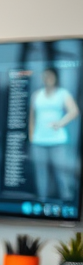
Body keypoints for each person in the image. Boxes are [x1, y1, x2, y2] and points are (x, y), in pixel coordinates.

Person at [29, 67, 79, 201]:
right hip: (39, 141)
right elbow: (32, 117)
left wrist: (61, 123)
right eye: (45, 76)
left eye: (50, 76)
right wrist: (31, 136)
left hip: (57, 141)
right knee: (41, 175)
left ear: (55, 78)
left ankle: (67, 200)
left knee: (61, 173)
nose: (47, 79)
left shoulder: (63, 94)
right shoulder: (37, 95)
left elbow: (74, 111)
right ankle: (42, 202)